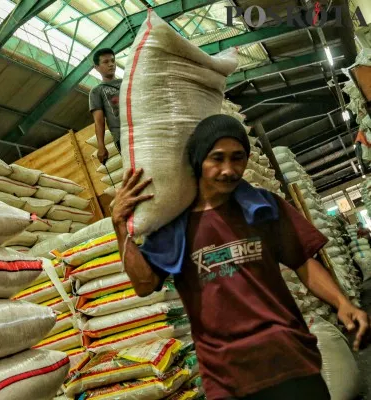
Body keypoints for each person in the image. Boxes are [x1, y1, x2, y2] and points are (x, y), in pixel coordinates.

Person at [112, 114, 369, 400]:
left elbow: (303, 262)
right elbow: (144, 284)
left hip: (290, 358)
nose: (229, 169)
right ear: (199, 161)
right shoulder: (175, 227)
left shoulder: (263, 206)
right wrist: (120, 226)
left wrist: (342, 302)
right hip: (227, 378)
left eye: (238, 158)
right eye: (217, 158)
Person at [88, 48, 122, 165]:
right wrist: (101, 147)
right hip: (122, 137)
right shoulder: (97, 91)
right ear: (96, 67)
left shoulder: (128, 82)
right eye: (106, 62)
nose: (111, 64)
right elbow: (99, 121)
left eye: (113, 61)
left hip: (142, 130)